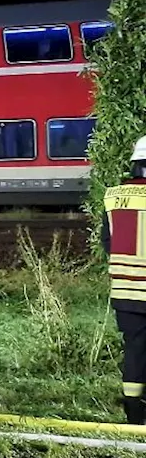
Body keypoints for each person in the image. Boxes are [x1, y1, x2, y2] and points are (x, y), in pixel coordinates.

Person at [103, 134, 146, 425]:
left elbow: (108, 242)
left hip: (125, 290)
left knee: (135, 349)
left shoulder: (112, 196)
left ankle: (134, 413)